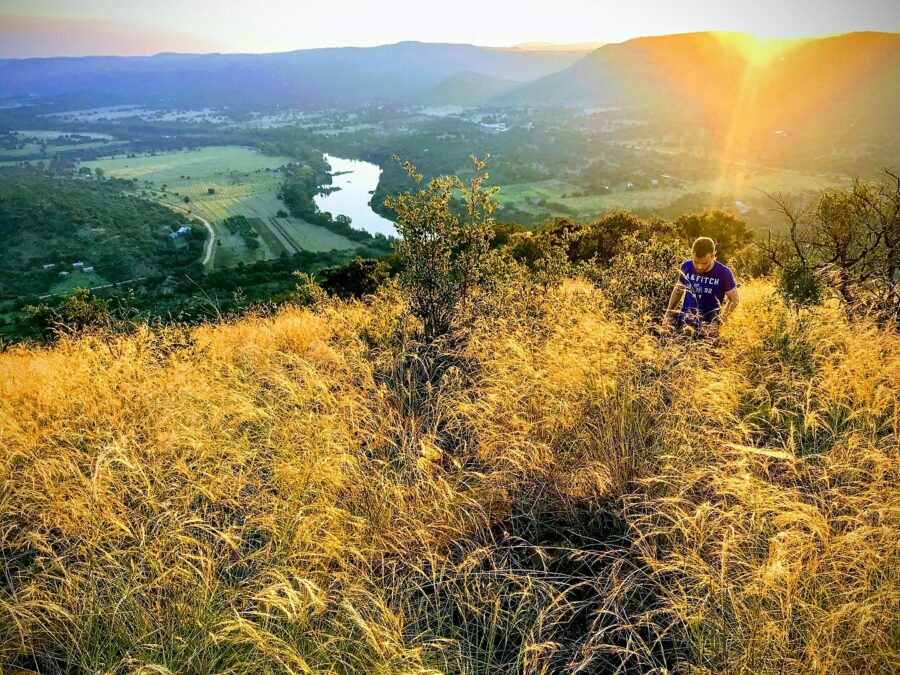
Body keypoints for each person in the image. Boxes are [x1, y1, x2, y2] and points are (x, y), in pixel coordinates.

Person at [662, 236, 739, 337]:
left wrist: (718, 322)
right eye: (696, 262)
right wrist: (667, 315)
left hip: (708, 329)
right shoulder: (686, 266)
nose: (699, 266)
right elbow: (678, 290)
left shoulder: (724, 273)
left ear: (713, 256)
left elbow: (734, 300)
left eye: (704, 263)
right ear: (692, 254)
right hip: (684, 324)